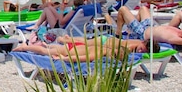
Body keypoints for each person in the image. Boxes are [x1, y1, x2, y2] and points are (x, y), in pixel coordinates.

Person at [115, 6, 182, 47]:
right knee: (143, 8)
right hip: (150, 25)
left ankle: (118, 33)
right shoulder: (178, 32)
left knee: (123, 9)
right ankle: (130, 30)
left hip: (142, 32)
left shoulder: (175, 37)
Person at [13, 35, 157, 62]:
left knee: (48, 50)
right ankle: (25, 47)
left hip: (75, 49)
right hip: (72, 51)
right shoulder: (105, 52)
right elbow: (84, 58)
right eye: (143, 50)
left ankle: (30, 46)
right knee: (46, 52)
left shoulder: (136, 43)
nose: (140, 52)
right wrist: (66, 59)